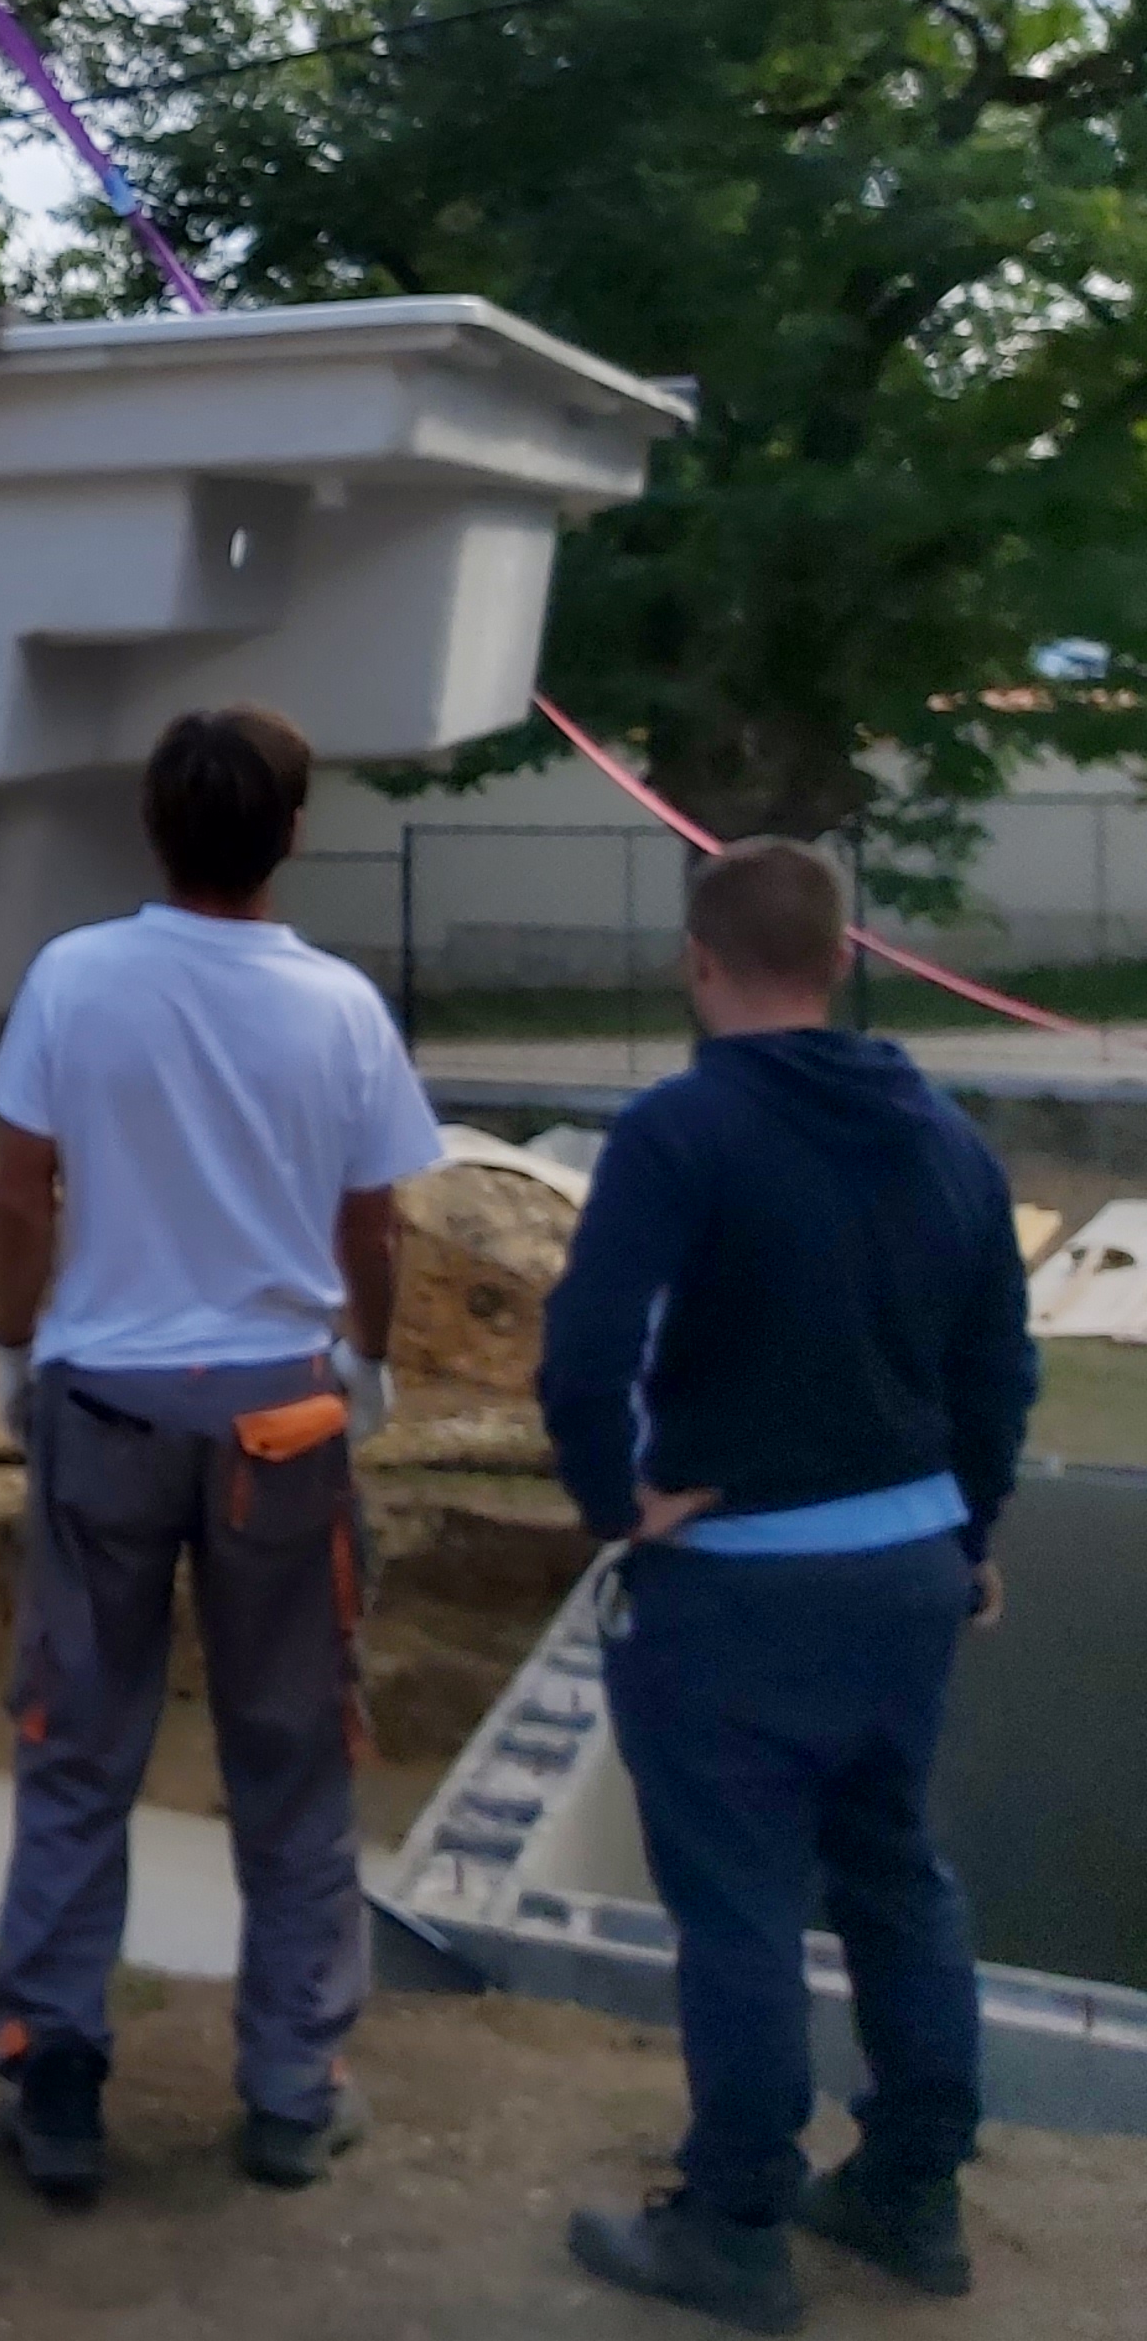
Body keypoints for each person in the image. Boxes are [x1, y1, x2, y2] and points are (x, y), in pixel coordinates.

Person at [541, 837, 1038, 2333]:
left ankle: (738, 2222)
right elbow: (999, 1369)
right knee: (895, 1874)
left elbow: (583, 1352)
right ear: (842, 959)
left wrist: (614, 1507)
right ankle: (913, 2192)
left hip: (738, 1587)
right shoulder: (947, 1138)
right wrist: (970, 1536)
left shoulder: (676, 1134)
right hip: (905, 1574)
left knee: (740, 1906)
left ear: (698, 963)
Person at [0, 703, 445, 2205]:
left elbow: (19, 1191)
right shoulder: (339, 1009)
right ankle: (294, 2091)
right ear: (292, 834)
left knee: (77, 1748)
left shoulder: (75, 978)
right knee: (292, 1761)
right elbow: (374, 1224)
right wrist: (368, 1359)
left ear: (151, 827)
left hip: (105, 1407)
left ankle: (55, 2079)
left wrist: (12, 1347)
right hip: (280, 1422)